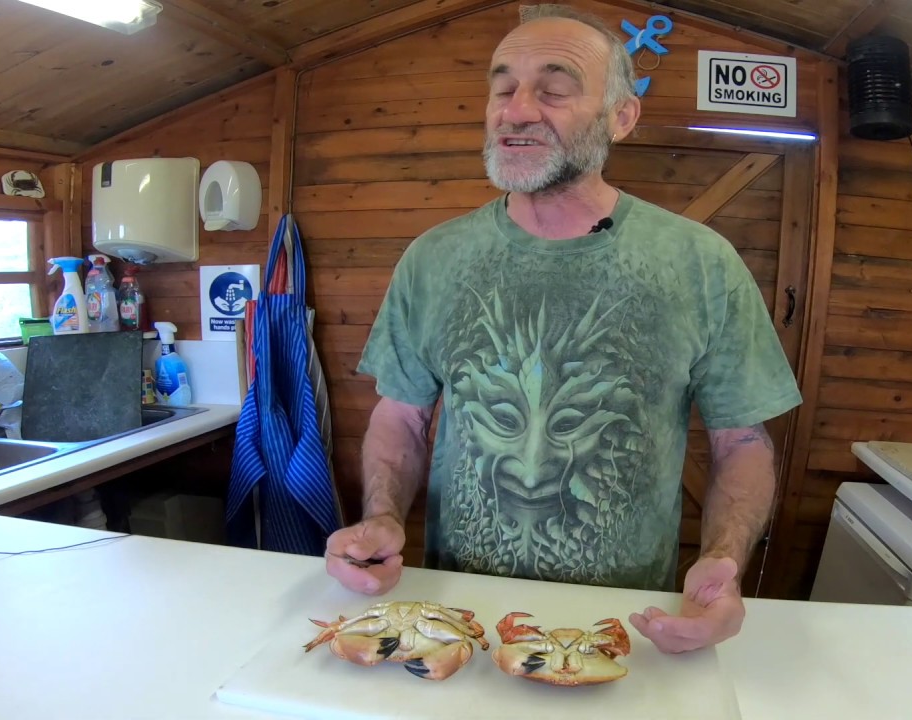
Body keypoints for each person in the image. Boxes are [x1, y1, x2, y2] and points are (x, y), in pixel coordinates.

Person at [325, 4, 802, 655]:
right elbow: (402, 416)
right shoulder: (433, 259)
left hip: (623, 626)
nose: (517, 110)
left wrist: (724, 558)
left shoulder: (700, 263)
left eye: (552, 90)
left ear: (620, 117)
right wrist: (381, 517)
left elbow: (742, 441)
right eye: (503, 89)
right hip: (457, 617)